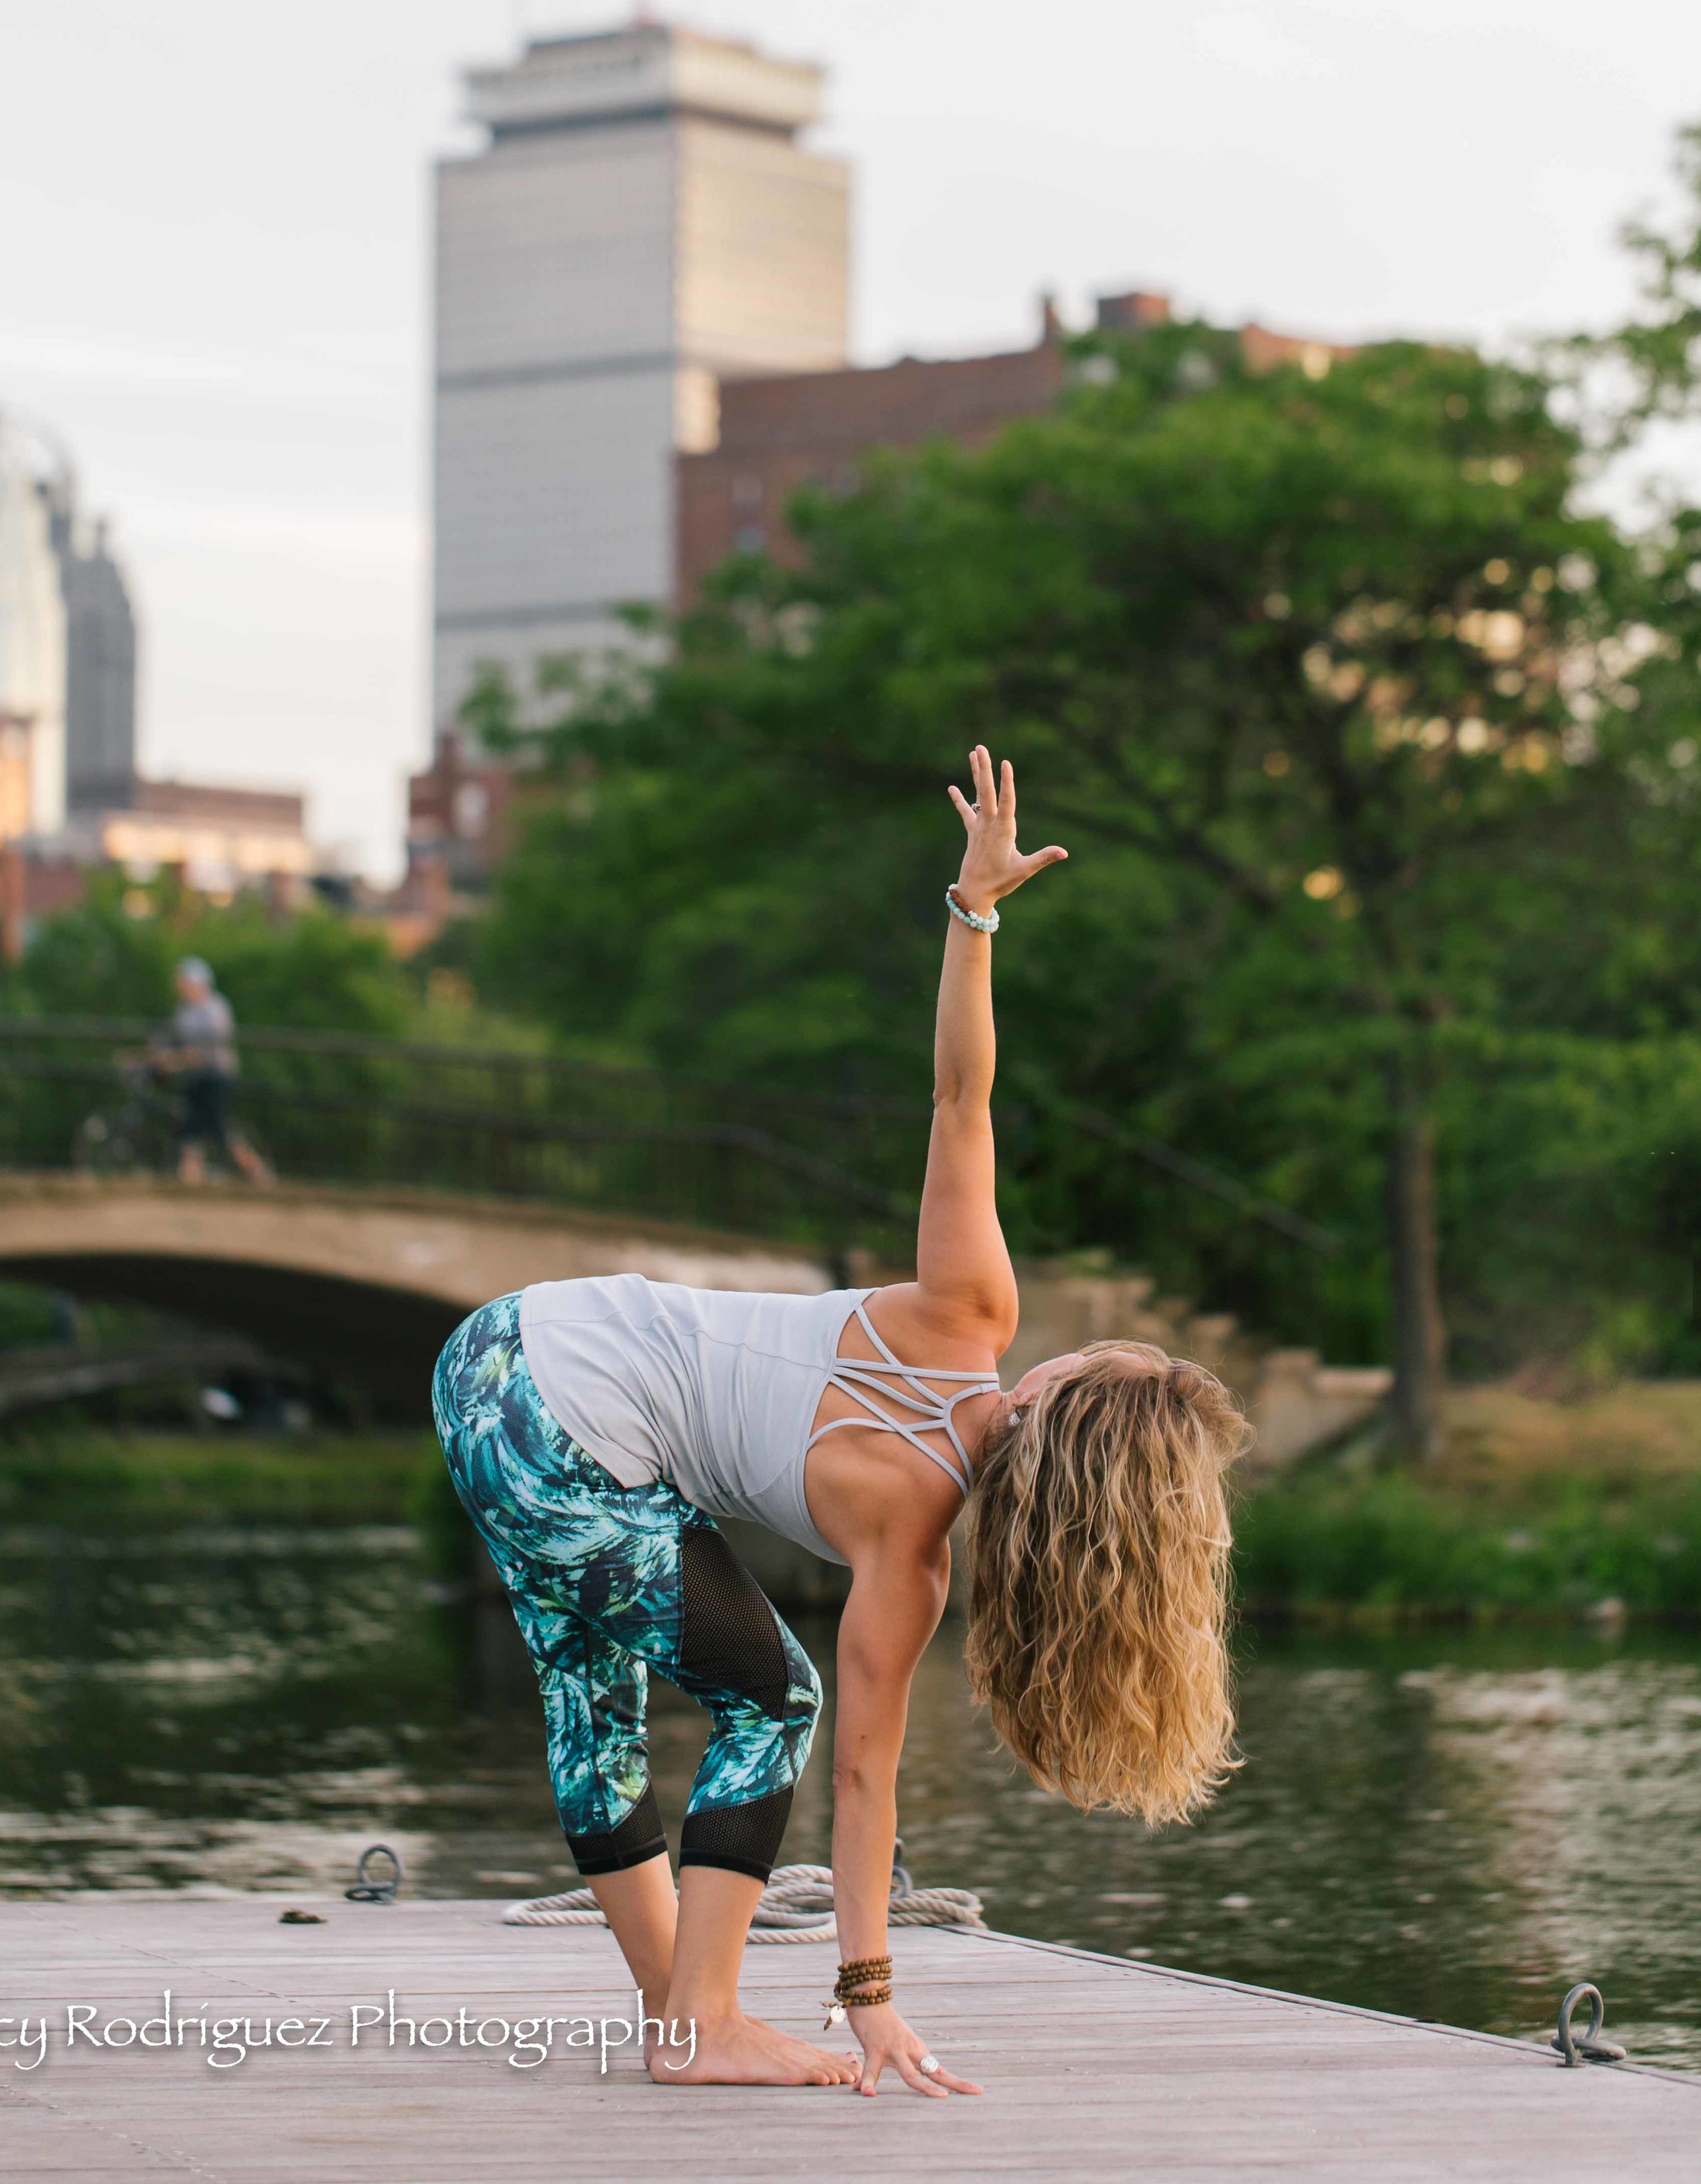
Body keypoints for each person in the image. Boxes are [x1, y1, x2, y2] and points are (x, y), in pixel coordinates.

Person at [432, 748, 1248, 2095]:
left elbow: (961, 1099)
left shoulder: (965, 1310)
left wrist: (973, 917)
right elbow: (863, 1790)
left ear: (1060, 1395)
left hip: (499, 1356)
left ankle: (684, 2021)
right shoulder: (913, 1562)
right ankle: (701, 2027)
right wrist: (869, 1995)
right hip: (564, 1410)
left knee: (604, 1699)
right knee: (770, 1694)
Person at [157, 957, 271, 1186]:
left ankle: (258, 1173)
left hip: (216, 1076)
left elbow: (212, 1043)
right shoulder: (184, 1010)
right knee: (190, 1127)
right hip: (194, 1076)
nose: (181, 986)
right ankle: (191, 1180)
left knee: (219, 1129)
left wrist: (179, 1058)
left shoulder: (216, 1008)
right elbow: (170, 1037)